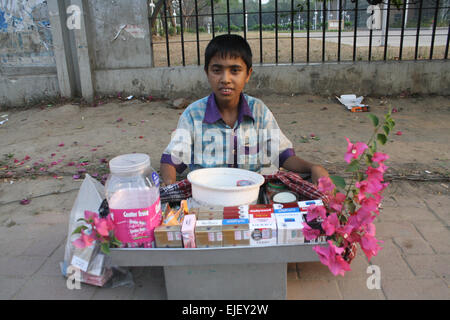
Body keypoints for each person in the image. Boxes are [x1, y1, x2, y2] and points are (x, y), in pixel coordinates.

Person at [160, 34, 328, 186]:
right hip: (208, 195)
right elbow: (171, 160)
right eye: (217, 70)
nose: (225, 79)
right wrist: (169, 186)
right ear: (207, 72)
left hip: (251, 195)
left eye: (235, 70)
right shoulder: (193, 115)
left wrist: (314, 167)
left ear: (248, 74)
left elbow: (283, 155)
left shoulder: (259, 112)